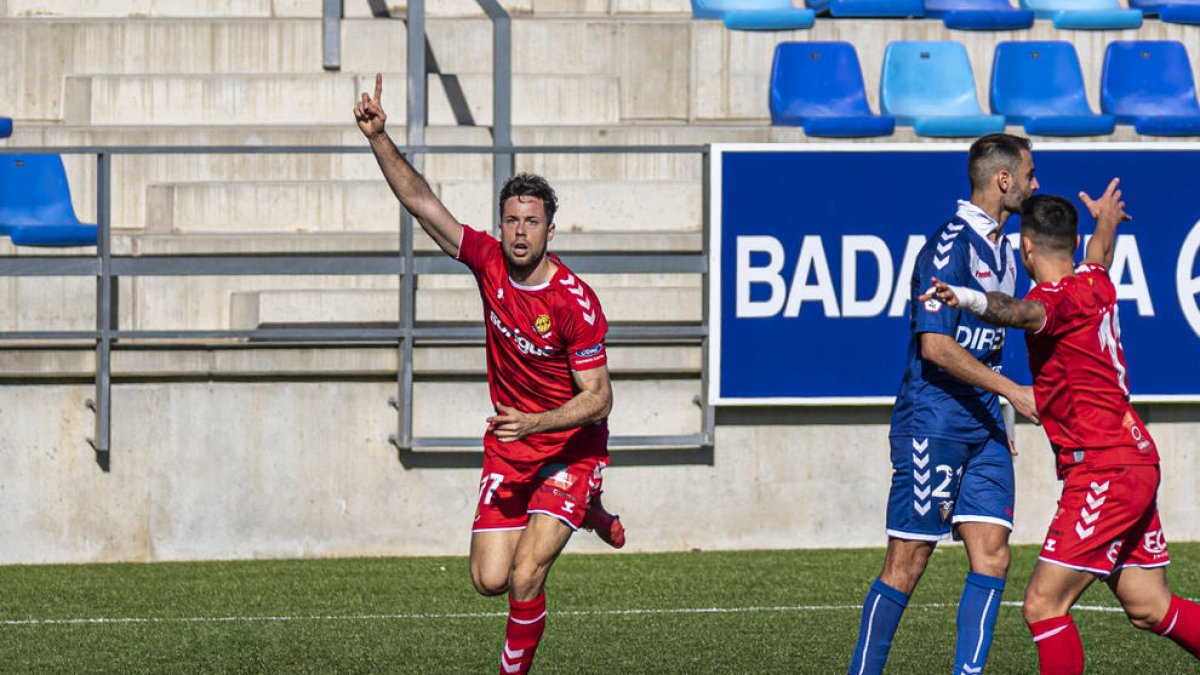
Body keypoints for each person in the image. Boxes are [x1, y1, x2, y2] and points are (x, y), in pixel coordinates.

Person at [354, 73, 625, 675]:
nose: (520, 231)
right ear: (500, 225)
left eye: (531, 221)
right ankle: (590, 513)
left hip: (569, 448)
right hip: (513, 445)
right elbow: (424, 205)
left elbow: (600, 399)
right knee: (489, 578)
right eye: (511, 220)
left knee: (527, 575)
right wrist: (379, 138)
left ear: (550, 230)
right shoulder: (488, 261)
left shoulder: (575, 302)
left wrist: (537, 422)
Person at [921, 184, 1200, 674]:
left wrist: (963, 296)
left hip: (1104, 468)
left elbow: (1018, 312)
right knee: (1147, 604)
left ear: (1026, 248)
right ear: (1072, 243)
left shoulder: (1052, 301)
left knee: (1043, 605)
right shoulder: (1094, 280)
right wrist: (1107, 218)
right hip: (1132, 458)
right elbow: (1102, 251)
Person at [848, 133, 1041, 675]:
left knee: (995, 554)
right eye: (1030, 174)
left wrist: (999, 409)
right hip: (933, 421)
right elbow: (934, 347)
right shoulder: (947, 246)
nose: (1035, 183)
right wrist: (1011, 391)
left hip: (985, 426)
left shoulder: (1006, 247)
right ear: (1004, 180)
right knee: (908, 562)